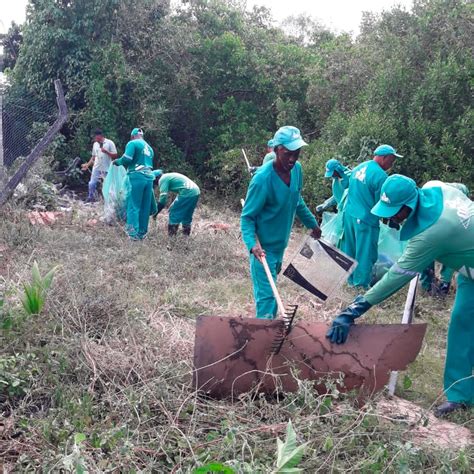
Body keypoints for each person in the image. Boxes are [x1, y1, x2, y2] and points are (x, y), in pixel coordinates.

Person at [327, 175, 474, 416]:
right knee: (461, 326)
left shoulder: (435, 232)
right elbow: (461, 189)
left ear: (410, 204)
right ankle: (461, 395)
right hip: (470, 271)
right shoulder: (433, 186)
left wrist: (353, 310)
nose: (391, 217)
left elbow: (396, 276)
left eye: (396, 211)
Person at [241, 126, 321, 319]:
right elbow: (247, 217)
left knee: (272, 291)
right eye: (287, 154)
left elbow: (296, 199)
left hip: (280, 246)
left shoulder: (297, 170)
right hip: (263, 250)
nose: (293, 159)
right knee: (267, 298)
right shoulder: (262, 180)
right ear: (276, 150)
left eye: (297, 153)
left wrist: (312, 224)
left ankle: (269, 329)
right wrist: (253, 245)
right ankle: (263, 340)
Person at [343, 144, 401, 288]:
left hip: (349, 214)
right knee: (365, 253)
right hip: (365, 219)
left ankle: (349, 280)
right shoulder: (381, 177)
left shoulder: (359, 167)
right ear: (383, 158)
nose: (391, 164)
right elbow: (382, 204)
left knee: (350, 249)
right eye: (391, 160)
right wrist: (392, 218)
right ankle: (360, 285)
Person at [113, 128, 156, 240]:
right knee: (144, 207)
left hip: (137, 177)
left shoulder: (132, 143)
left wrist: (118, 162)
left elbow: (127, 159)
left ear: (132, 136)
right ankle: (142, 233)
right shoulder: (150, 148)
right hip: (149, 178)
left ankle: (132, 234)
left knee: (133, 205)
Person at [152, 170, 201, 236]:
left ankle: (172, 238)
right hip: (196, 191)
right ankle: (185, 237)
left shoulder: (162, 179)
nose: (156, 185)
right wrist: (173, 203)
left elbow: (163, 199)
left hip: (187, 192)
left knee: (174, 213)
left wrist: (156, 212)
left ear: (156, 178)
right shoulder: (169, 176)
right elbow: (182, 188)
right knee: (187, 214)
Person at [81, 129, 118, 202]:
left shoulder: (109, 143)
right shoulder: (95, 144)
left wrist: (106, 152)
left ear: (99, 136)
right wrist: (87, 165)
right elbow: (93, 157)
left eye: (95, 137)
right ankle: (90, 197)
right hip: (97, 167)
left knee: (106, 185)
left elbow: (115, 156)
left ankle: (106, 200)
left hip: (107, 168)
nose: (95, 139)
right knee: (91, 183)